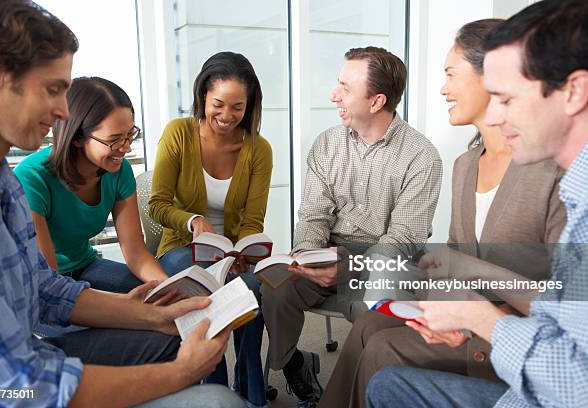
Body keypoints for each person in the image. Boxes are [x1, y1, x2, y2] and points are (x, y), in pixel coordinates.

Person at [0, 1, 243, 407]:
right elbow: (12, 387)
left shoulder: (0, 181)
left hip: (41, 344)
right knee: (217, 400)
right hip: (23, 382)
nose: (63, 111)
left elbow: (45, 288)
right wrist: (180, 372)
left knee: (165, 323)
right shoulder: (24, 179)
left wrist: (151, 312)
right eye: (52, 89)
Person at [318, 18, 567, 408]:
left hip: (519, 334)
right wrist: (437, 294)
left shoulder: (553, 170)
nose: (443, 88)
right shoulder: (466, 165)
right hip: (467, 312)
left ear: (494, 76)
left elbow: (563, 302)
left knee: (384, 348)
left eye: (451, 74)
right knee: (369, 323)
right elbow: (455, 261)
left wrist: (472, 296)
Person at [261, 46, 443, 407]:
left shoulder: (422, 157)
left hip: (383, 265)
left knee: (372, 319)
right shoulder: (327, 144)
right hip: (326, 253)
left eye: (345, 88)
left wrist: (353, 266)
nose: (334, 95)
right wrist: (308, 257)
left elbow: (404, 239)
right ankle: (294, 362)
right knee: (272, 287)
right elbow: (313, 214)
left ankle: (357, 394)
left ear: (376, 101)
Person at [149, 51, 273, 408]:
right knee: (201, 282)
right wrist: (193, 221)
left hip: (233, 254)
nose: (226, 116)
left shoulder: (258, 149)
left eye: (238, 107)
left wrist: (240, 254)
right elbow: (157, 203)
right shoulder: (178, 134)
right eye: (218, 104)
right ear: (202, 94)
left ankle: (252, 392)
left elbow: (253, 219)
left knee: (252, 289)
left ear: (249, 106)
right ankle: (213, 383)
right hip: (180, 247)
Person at [15, 76, 169, 294]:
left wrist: (170, 287)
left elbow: (135, 252)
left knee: (158, 295)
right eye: (114, 139)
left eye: (129, 135)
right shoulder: (31, 178)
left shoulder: (118, 170)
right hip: (45, 284)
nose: (126, 148)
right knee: (135, 316)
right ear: (77, 137)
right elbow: (50, 285)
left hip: (87, 266)